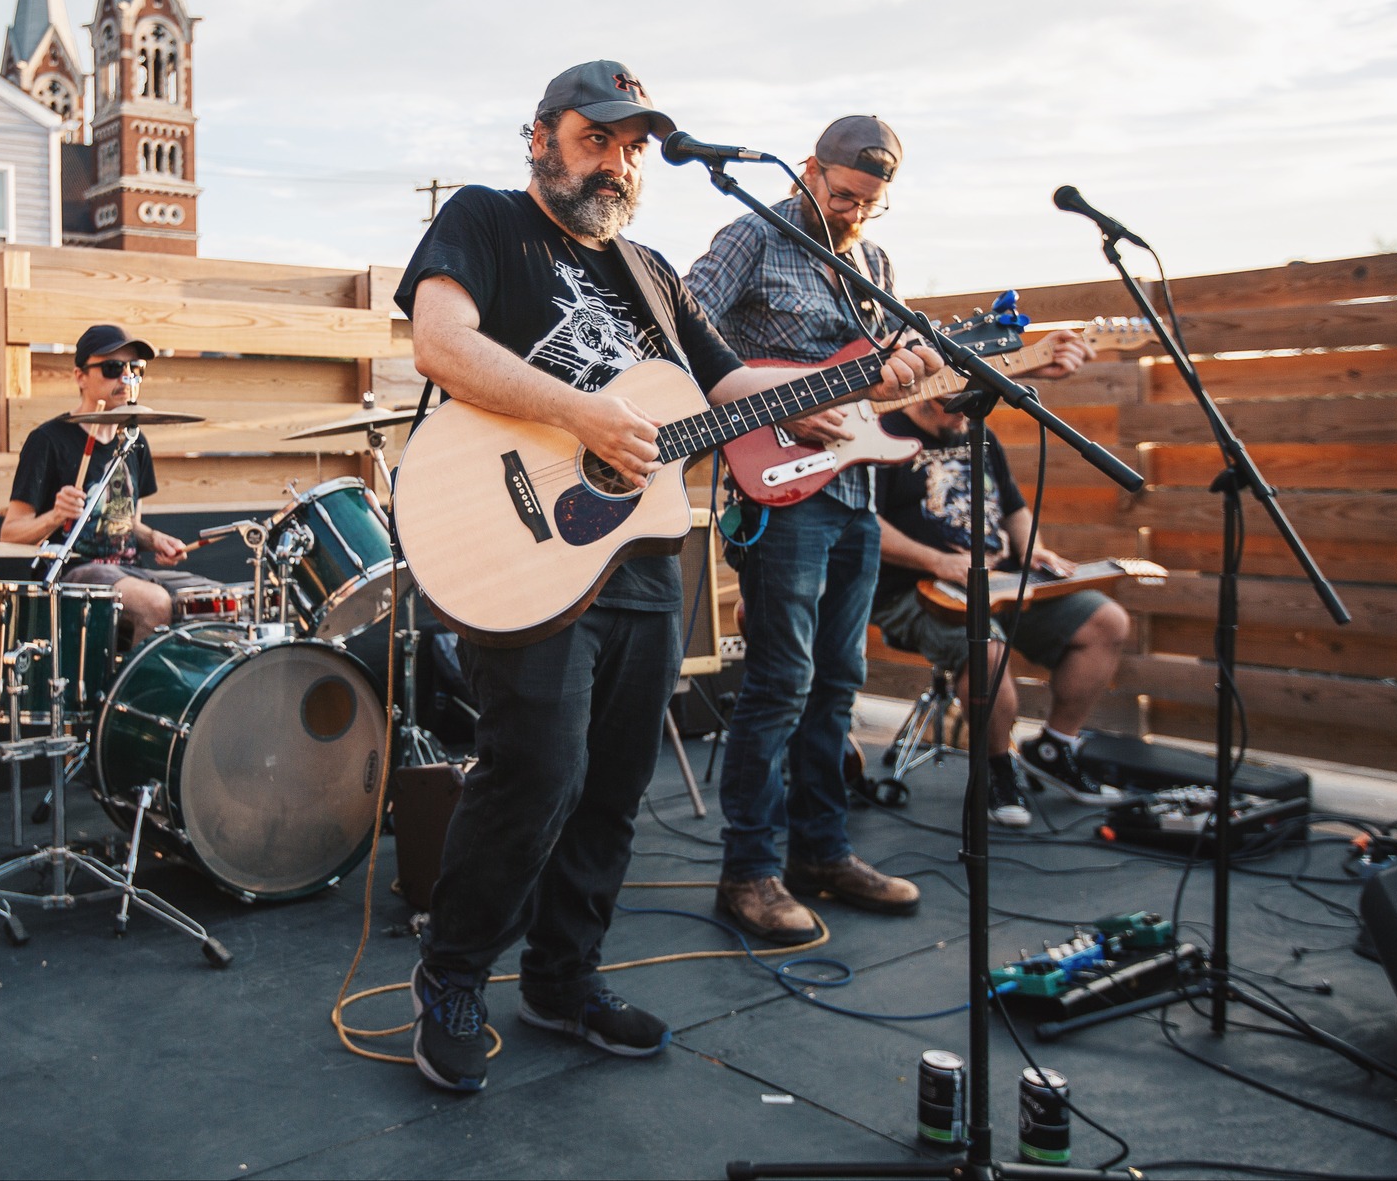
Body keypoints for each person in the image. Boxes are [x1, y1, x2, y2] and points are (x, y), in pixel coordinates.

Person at [396, 63, 939, 1092]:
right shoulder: (486, 222)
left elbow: (730, 387)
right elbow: (440, 342)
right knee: (534, 775)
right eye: (593, 139)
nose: (616, 161)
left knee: (612, 786)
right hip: (524, 543)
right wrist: (580, 414)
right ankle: (453, 976)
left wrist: (861, 379)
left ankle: (563, 978)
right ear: (538, 139)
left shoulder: (648, 269)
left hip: (637, 555)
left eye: (631, 146)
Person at [687, 117, 1089, 945]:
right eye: (841, 196)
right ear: (809, 171)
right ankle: (749, 871)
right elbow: (682, 330)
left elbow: (889, 387)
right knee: (779, 683)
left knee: (838, 679)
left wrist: (996, 363)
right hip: (778, 486)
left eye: (870, 204)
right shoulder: (749, 237)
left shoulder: (872, 264)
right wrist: (784, 402)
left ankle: (822, 852)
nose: (852, 214)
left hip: (856, 491)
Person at [871, 395, 1132, 826]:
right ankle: (996, 770)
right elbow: (866, 523)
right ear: (927, 397)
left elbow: (1013, 508)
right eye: (953, 408)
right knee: (986, 653)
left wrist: (1037, 551)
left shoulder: (978, 432)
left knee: (1106, 622)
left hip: (1002, 582)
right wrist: (937, 561)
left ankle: (1053, 748)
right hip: (917, 591)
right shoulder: (883, 435)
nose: (964, 417)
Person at [0, 323, 199, 642]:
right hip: (72, 572)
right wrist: (55, 516)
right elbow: (10, 534)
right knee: (155, 602)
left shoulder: (135, 440)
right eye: (112, 368)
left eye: (135, 368)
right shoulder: (48, 440)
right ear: (80, 376)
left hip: (130, 571)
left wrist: (155, 538)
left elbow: (126, 523)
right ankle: (131, 693)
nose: (126, 377)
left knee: (212, 600)